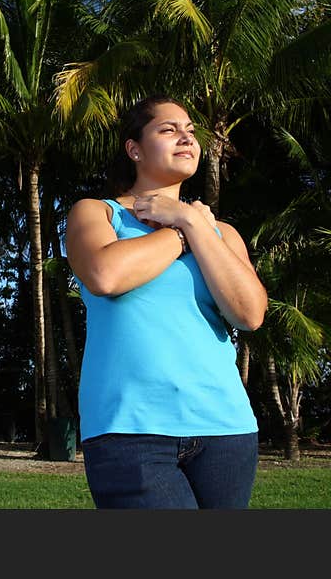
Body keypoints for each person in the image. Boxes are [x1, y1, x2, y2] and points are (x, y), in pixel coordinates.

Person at [65, 95, 268, 509]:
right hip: (129, 430)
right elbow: (107, 276)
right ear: (134, 149)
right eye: (168, 129)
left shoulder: (220, 232)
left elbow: (249, 314)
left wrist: (192, 221)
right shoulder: (97, 214)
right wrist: (181, 231)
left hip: (225, 428)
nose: (186, 138)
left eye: (191, 131)